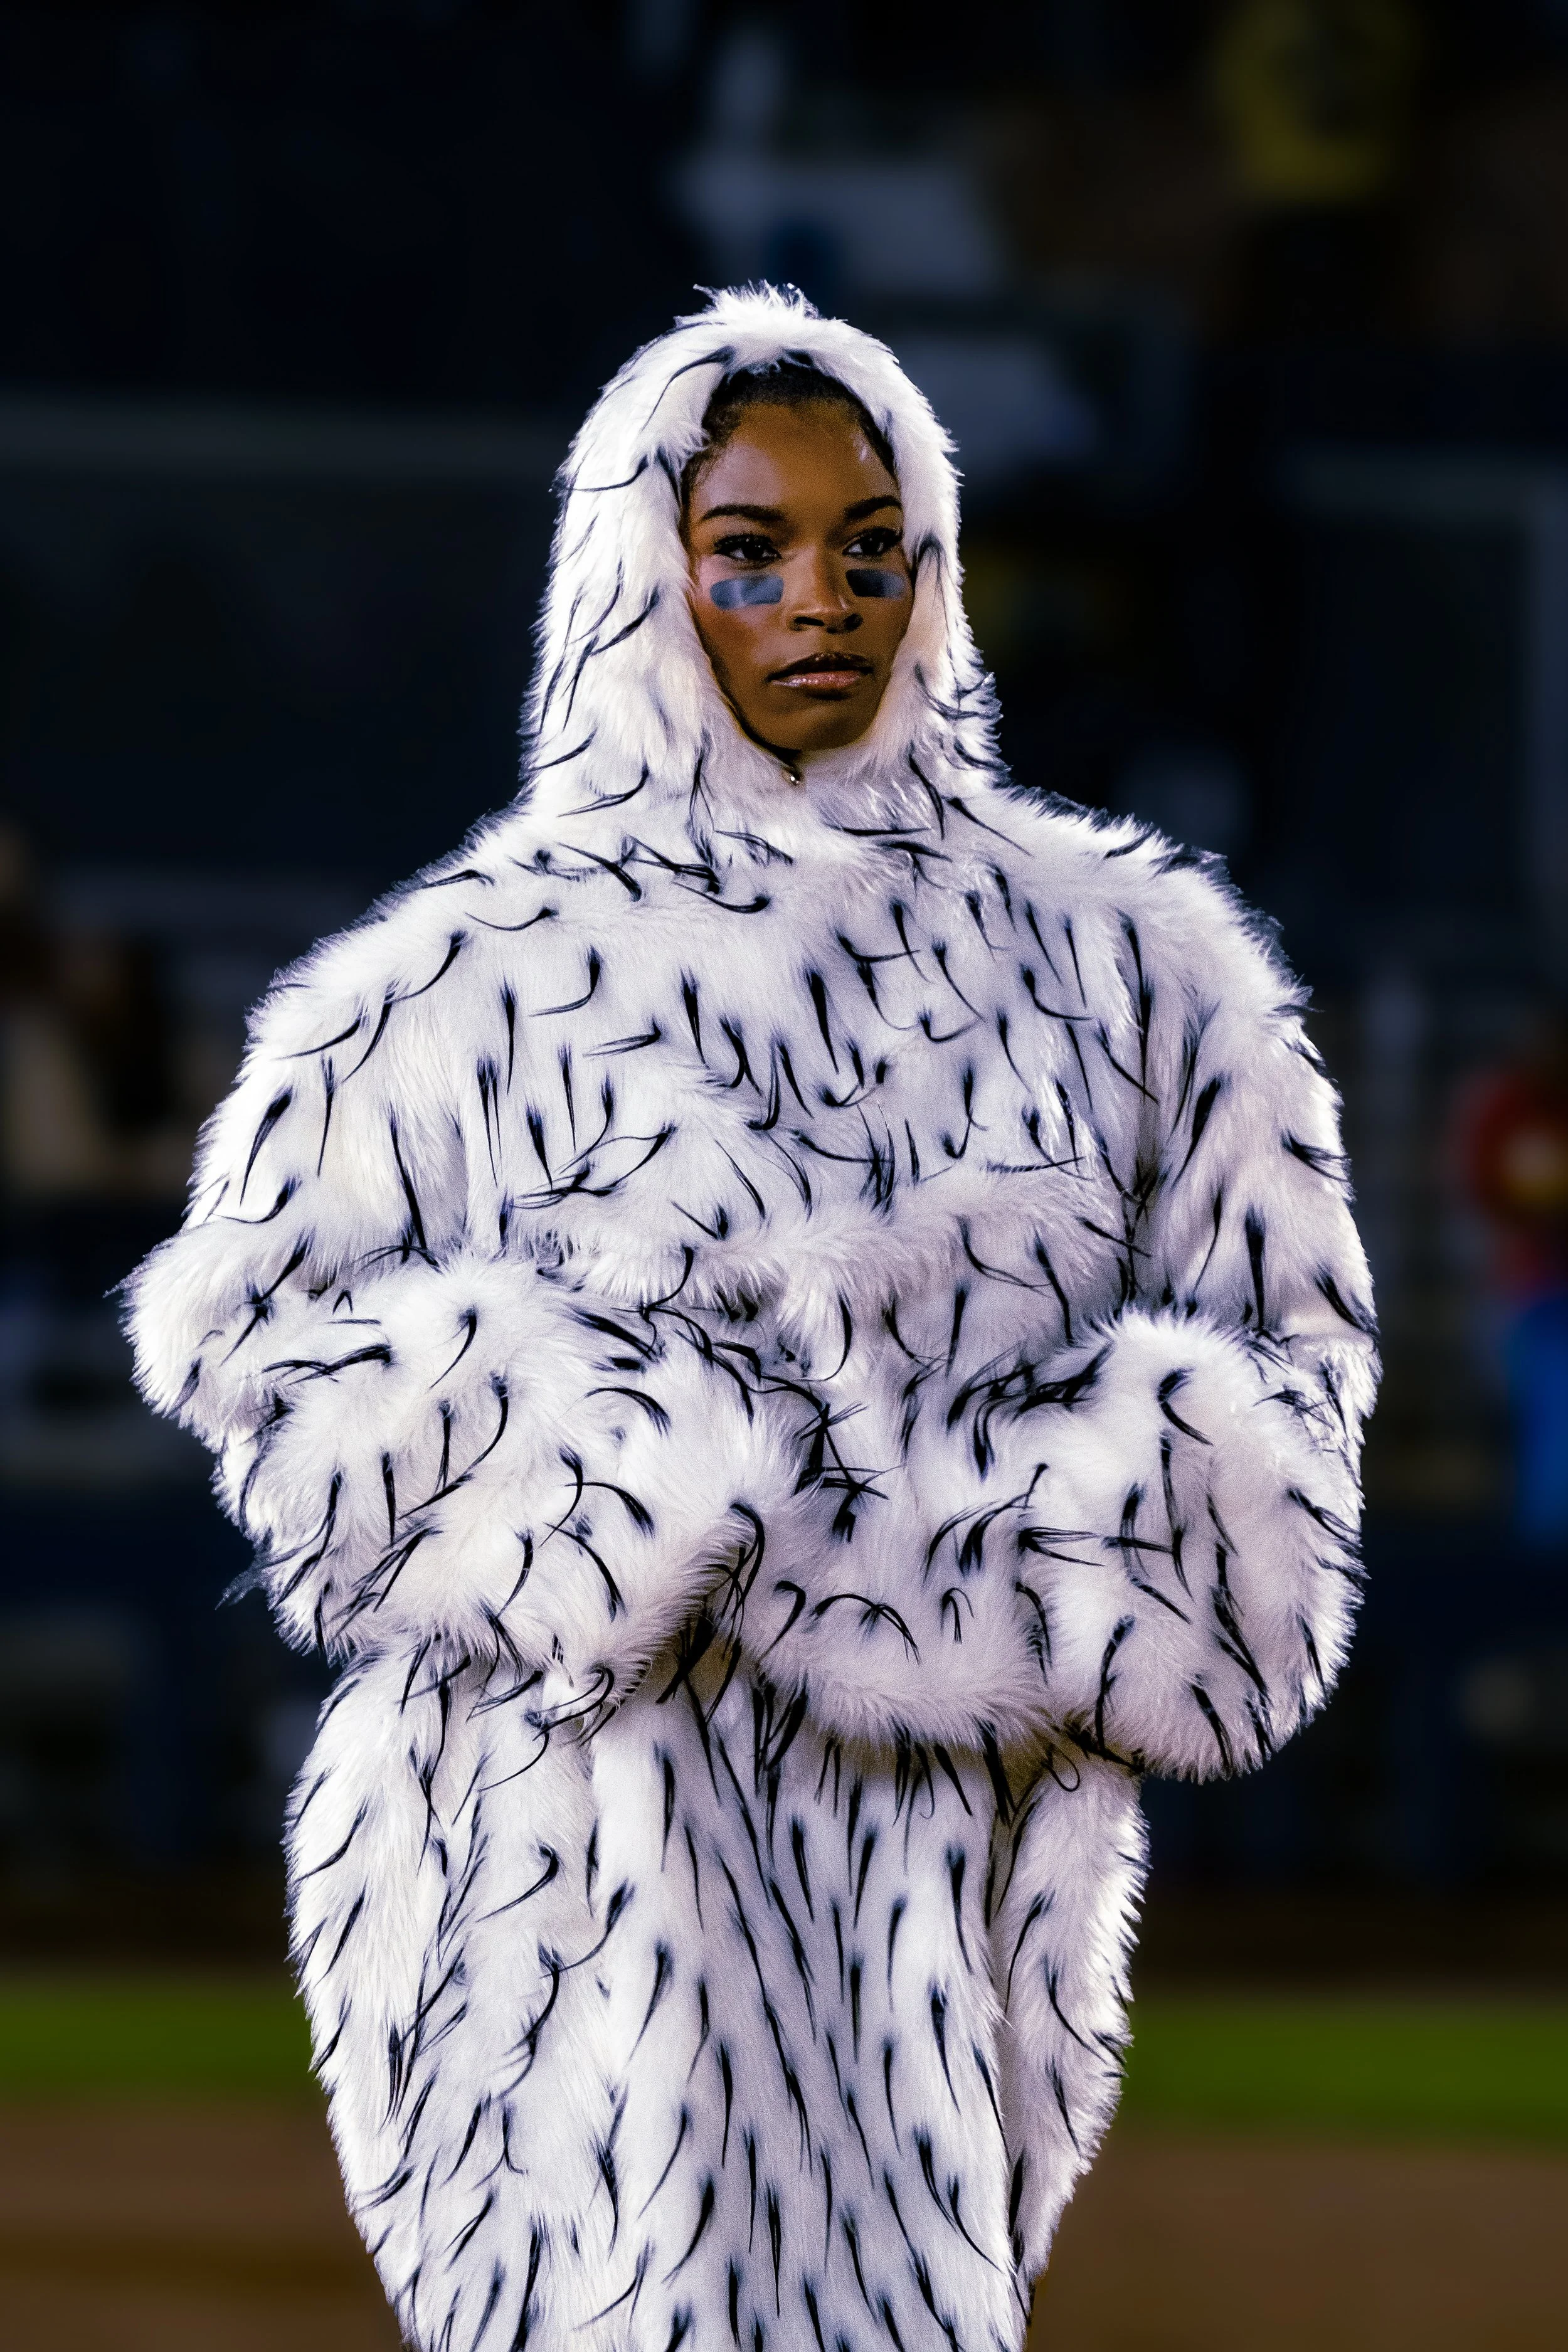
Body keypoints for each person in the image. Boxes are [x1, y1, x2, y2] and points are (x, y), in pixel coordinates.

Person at [126, 287, 1377, 2352]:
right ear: (645, 569)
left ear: (933, 569)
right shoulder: (450, 988)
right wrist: (585, 1476)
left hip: (947, 1891)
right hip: (545, 1892)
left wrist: (1056, 1538)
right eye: (752, 551)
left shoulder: (1132, 966)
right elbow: (252, 1344)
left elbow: (1289, 1393)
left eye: (870, 548)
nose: (825, 601)